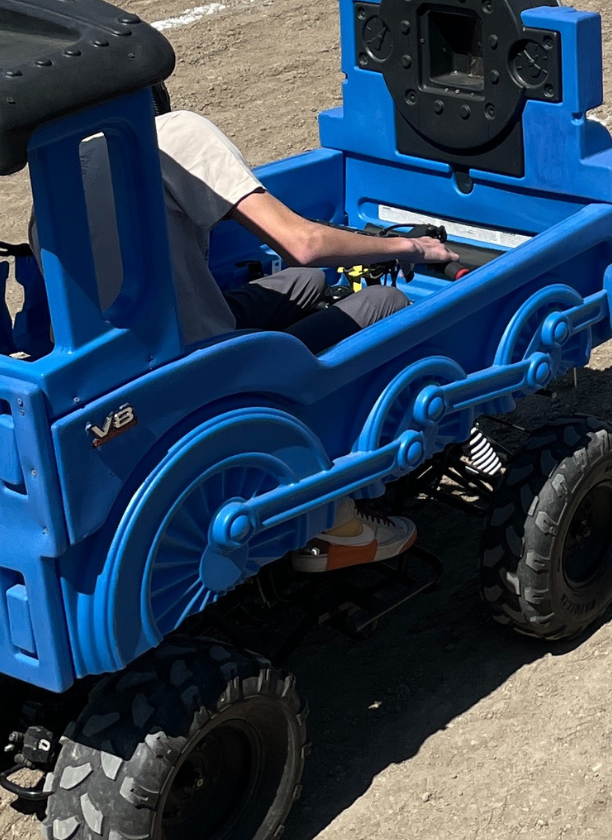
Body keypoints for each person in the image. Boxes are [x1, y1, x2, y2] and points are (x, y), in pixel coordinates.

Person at [146, 93, 456, 569]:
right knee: (388, 301)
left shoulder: (58, 176)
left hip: (146, 360)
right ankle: (337, 518)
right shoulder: (172, 135)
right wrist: (408, 247)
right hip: (207, 373)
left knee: (306, 283)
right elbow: (304, 244)